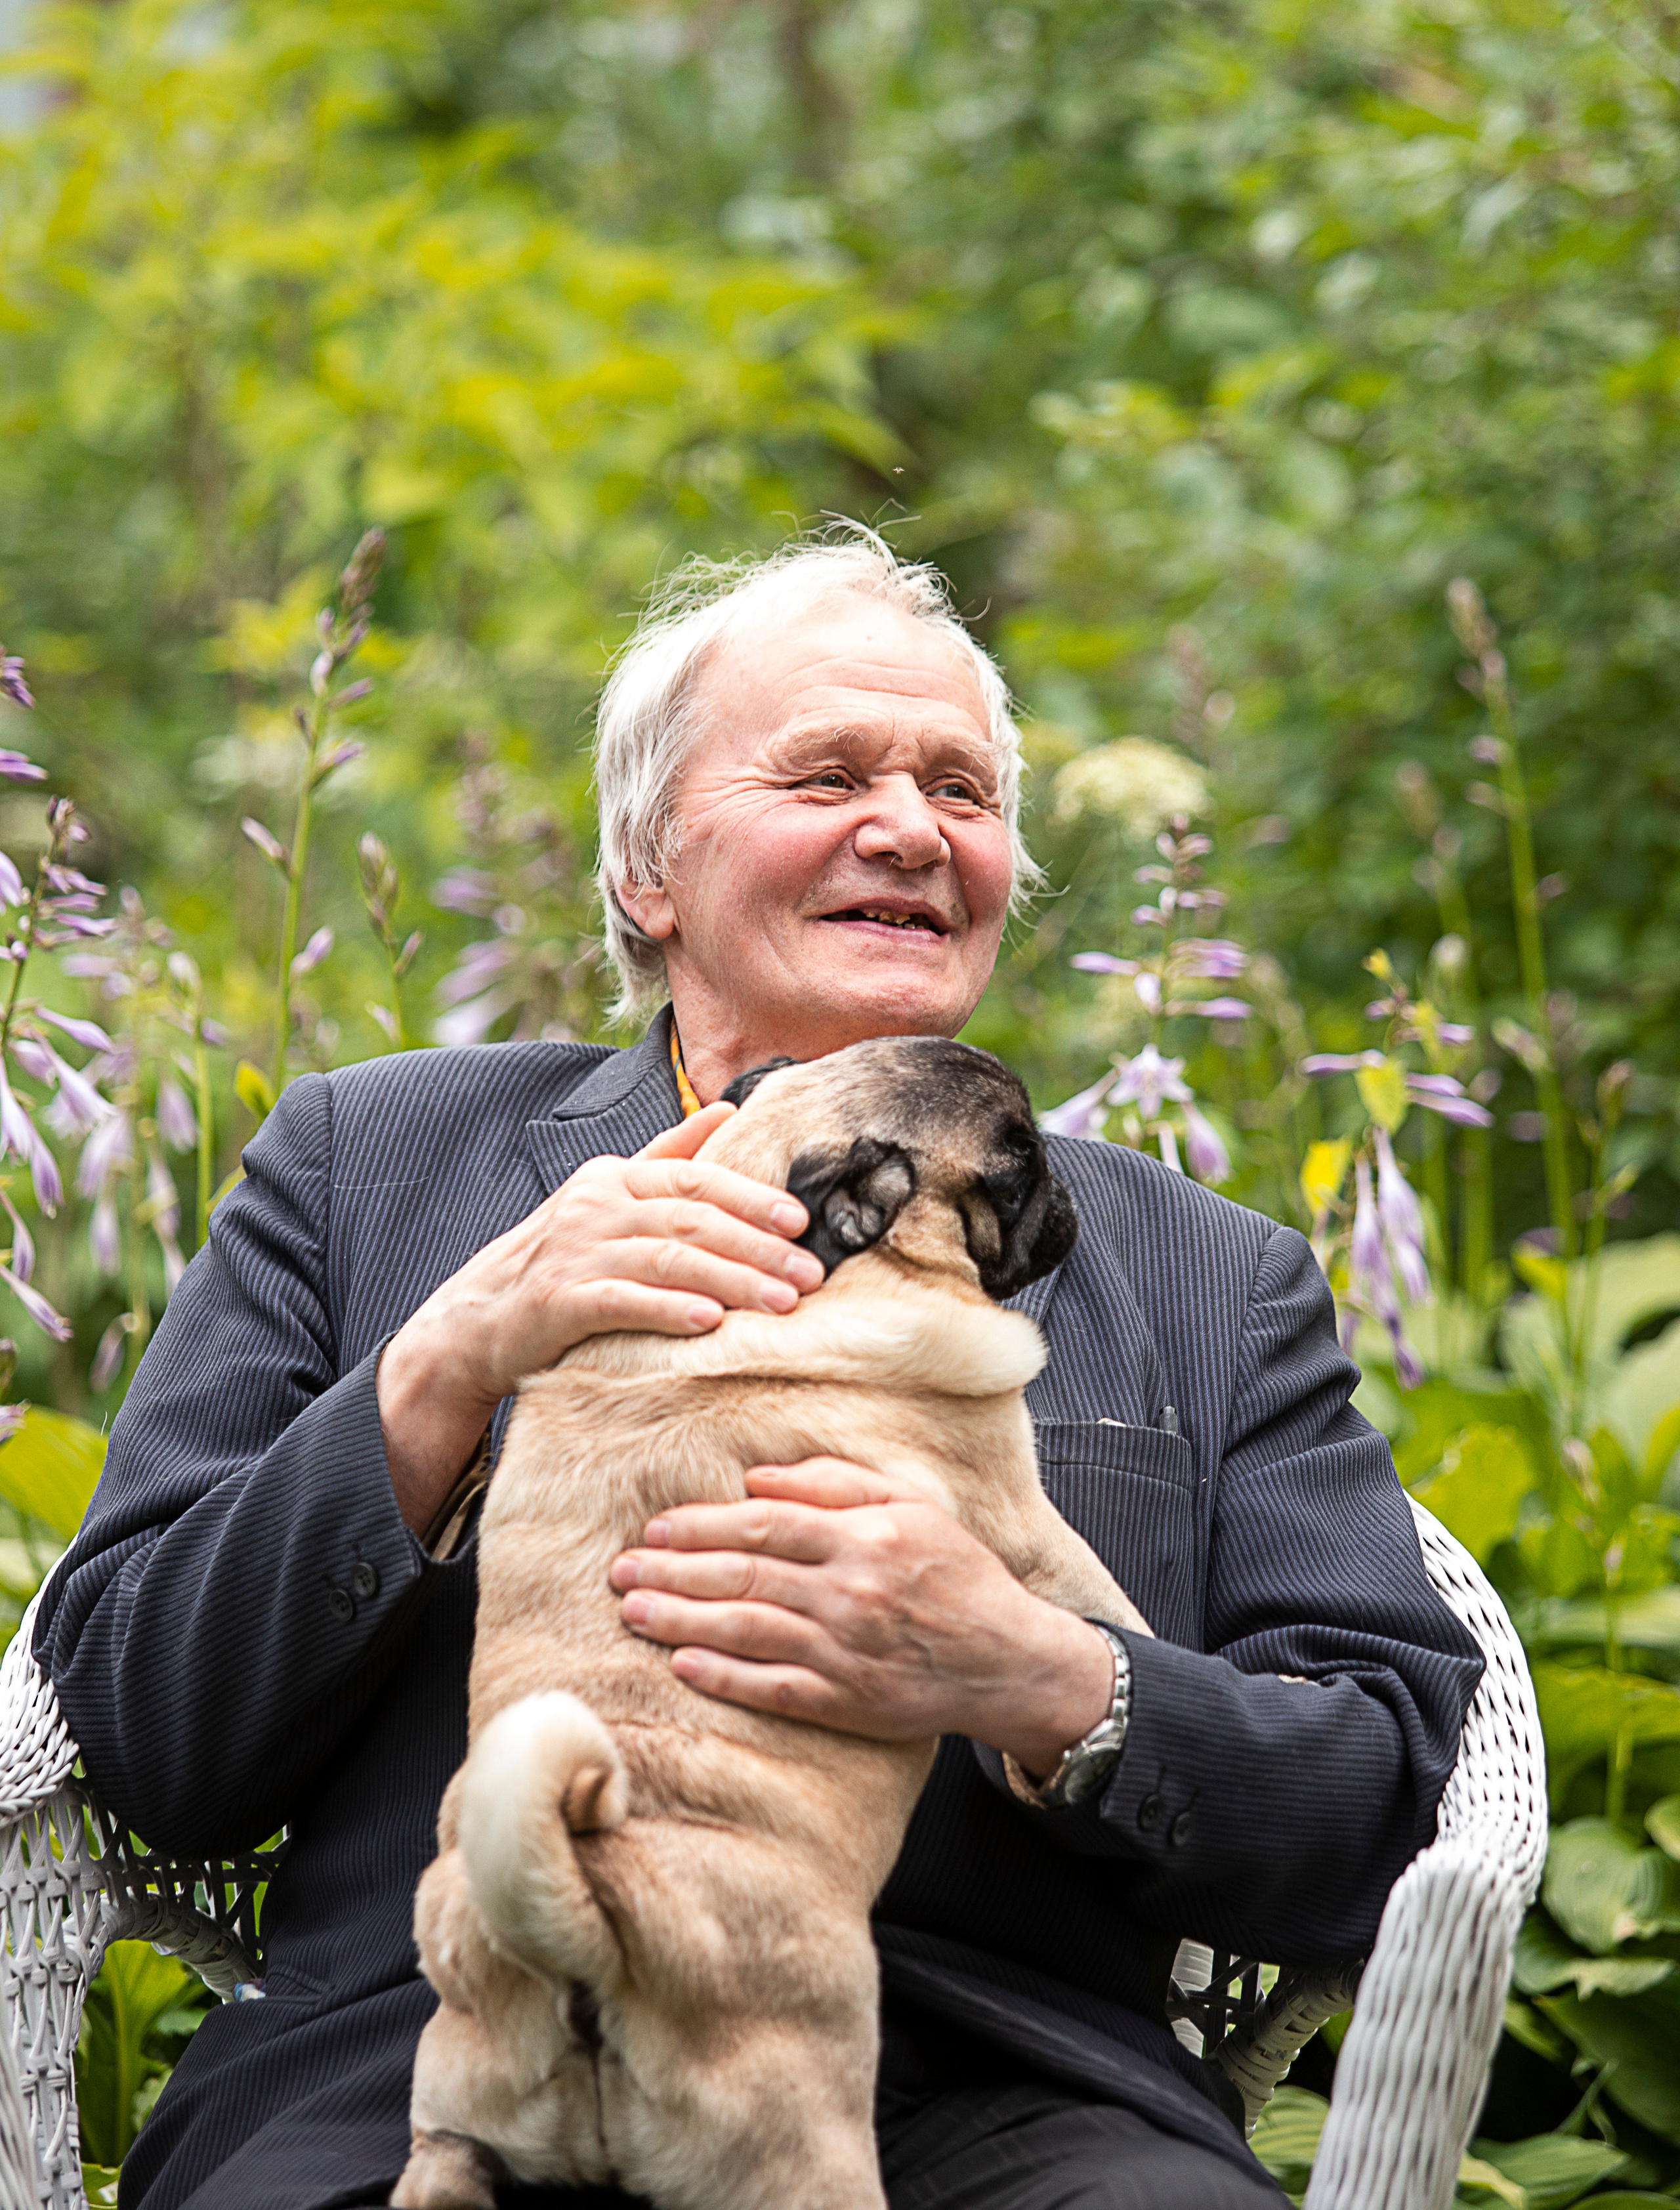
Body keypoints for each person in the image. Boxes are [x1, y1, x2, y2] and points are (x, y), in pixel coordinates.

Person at [35, 529, 1482, 2210]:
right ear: (645, 870)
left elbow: (1383, 1786)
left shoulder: (1203, 1276)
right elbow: (140, 1720)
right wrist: (439, 1369)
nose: (912, 828)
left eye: (960, 789)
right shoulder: (369, 1164)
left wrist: (1036, 1671)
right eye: (829, 774)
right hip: (440, 2069)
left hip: (997, 2097)